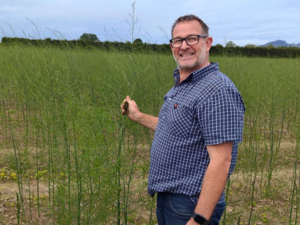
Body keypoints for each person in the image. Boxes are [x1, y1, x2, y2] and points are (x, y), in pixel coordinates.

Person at [121, 14, 245, 225]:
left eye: (192, 39)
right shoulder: (185, 84)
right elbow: (175, 129)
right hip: (172, 200)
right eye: (178, 40)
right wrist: (138, 116)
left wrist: (198, 219)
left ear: (208, 43)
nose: (184, 46)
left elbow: (222, 161)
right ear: (172, 46)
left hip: (190, 205)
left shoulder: (216, 89)